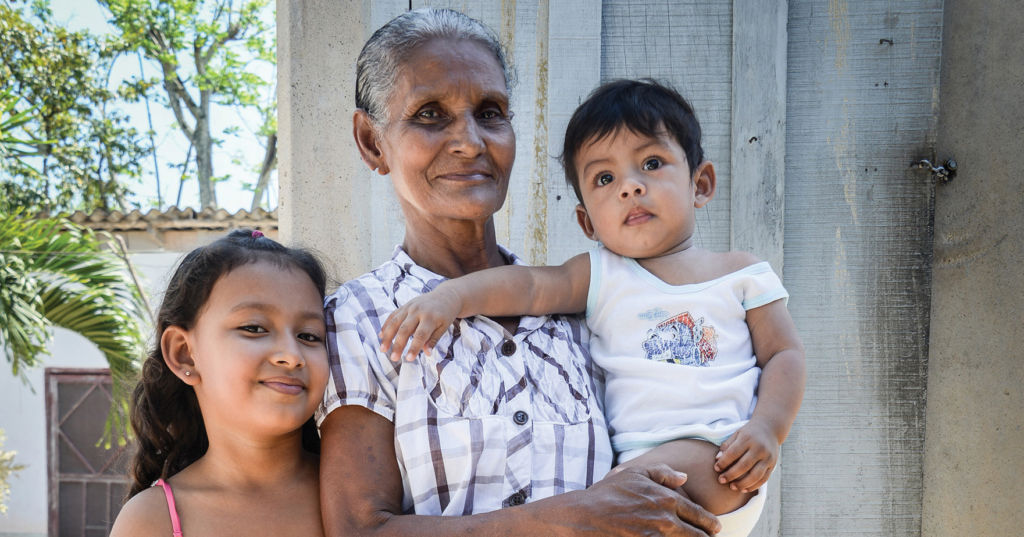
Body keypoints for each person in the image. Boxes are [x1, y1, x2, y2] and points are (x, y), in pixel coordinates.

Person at [317, 8, 721, 537]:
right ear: (372, 142)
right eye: (430, 115)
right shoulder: (363, 316)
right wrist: (571, 518)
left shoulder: (582, 306)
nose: (469, 141)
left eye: (490, 112)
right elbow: (359, 530)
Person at [379, 79, 807, 537]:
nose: (630, 187)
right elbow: (528, 286)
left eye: (651, 163)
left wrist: (768, 428)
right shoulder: (602, 274)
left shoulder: (741, 273)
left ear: (700, 184)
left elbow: (784, 355)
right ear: (587, 222)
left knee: (594, 511)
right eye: (605, 179)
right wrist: (450, 298)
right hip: (637, 481)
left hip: (719, 458)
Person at [110, 229, 329, 537]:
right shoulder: (152, 520)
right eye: (254, 328)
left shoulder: (362, 492)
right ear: (185, 354)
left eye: (309, 336)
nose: (291, 356)